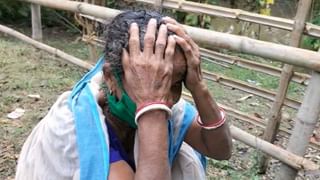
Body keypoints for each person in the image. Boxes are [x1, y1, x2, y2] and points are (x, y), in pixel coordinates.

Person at [15, 10, 232, 180]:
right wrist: (151, 105)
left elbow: (220, 149)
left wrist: (198, 86)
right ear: (110, 77)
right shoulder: (76, 129)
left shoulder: (172, 112)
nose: (165, 99)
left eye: (173, 84)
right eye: (147, 81)